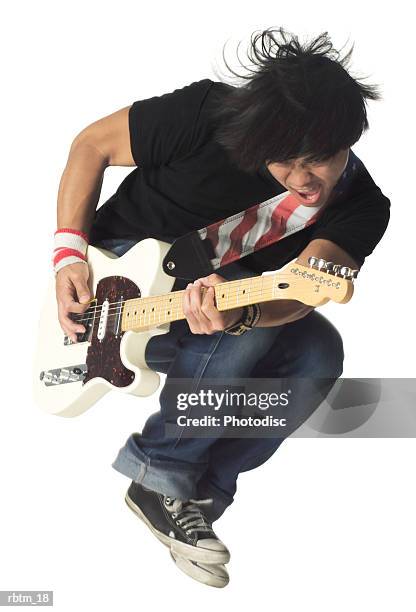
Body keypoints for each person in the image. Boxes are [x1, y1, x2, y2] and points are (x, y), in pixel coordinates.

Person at [54, 27, 390, 587]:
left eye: (321, 160)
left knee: (319, 352)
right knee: (242, 321)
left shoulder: (365, 208)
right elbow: (93, 144)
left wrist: (244, 314)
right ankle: (163, 472)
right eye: (286, 163)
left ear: (348, 138)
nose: (304, 181)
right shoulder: (209, 112)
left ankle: (197, 492)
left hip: (212, 313)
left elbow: (301, 289)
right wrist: (68, 255)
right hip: (113, 281)